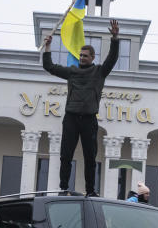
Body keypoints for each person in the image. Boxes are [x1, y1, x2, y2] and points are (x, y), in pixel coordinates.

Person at [42, 19, 120, 197]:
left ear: (92, 58)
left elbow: (112, 59)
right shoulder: (71, 71)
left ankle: (90, 191)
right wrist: (48, 48)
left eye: (85, 55)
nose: (81, 58)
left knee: (90, 157)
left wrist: (115, 38)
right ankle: (63, 188)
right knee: (65, 156)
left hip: (89, 119)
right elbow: (49, 67)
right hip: (71, 118)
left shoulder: (99, 72)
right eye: (80, 55)